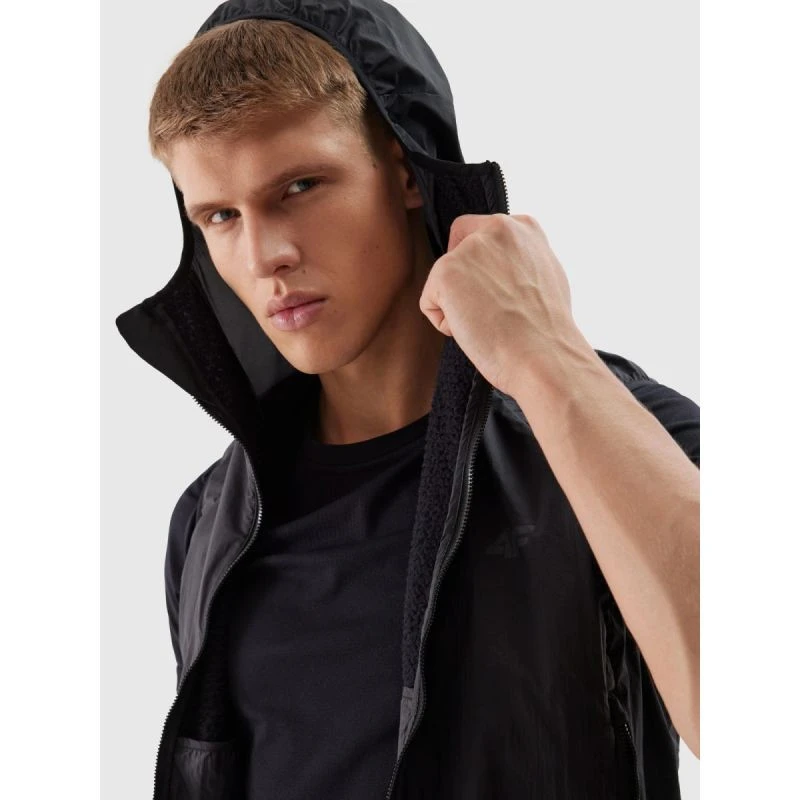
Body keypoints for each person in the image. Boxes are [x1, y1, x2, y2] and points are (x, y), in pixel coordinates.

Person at [115, 1, 700, 798]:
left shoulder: (620, 428)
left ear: (404, 172)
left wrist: (547, 357)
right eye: (220, 216)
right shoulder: (210, 522)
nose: (263, 255)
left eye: (299, 187)